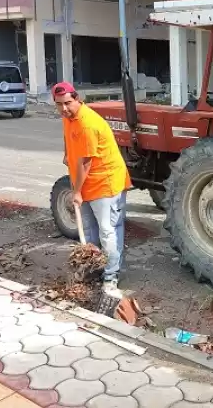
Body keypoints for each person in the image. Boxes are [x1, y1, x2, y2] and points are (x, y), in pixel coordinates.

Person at [54, 82, 131, 291]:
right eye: (59, 104)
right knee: (89, 228)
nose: (64, 109)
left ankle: (111, 275)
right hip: (86, 180)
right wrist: (66, 153)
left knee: (108, 230)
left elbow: (87, 162)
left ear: (78, 99)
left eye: (68, 103)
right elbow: (68, 135)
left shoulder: (88, 123)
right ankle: (94, 266)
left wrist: (76, 192)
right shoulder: (68, 117)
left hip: (105, 182)